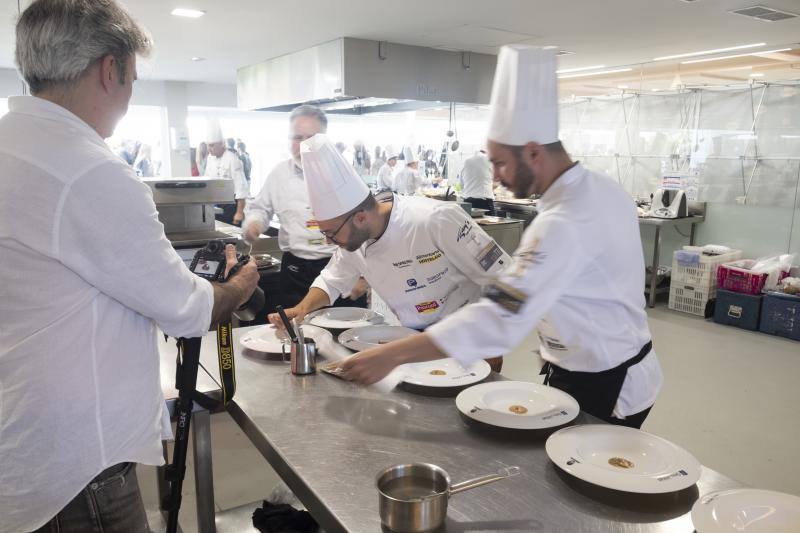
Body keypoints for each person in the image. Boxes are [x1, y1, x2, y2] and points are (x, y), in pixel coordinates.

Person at [0, 2, 260, 532]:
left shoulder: (12, 146)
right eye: (133, 77)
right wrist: (238, 286)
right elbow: (187, 311)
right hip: (78, 469)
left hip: (22, 441)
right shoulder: (90, 171)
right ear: (110, 69)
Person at [339, 46, 662, 430]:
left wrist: (392, 356)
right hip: (600, 364)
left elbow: (499, 316)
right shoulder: (601, 188)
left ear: (533, 152)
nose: (495, 178)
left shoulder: (563, 221)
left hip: (608, 383)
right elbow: (589, 290)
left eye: (500, 163)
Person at [268, 134, 511, 368]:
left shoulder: (436, 219)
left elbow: (504, 278)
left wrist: (491, 341)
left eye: (332, 233)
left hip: (468, 337)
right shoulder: (353, 240)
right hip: (412, 340)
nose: (330, 241)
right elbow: (332, 280)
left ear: (360, 217)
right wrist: (302, 309)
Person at [243, 105, 367, 309]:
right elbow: (260, 208)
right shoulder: (279, 174)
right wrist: (254, 223)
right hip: (295, 271)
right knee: (295, 333)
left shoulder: (344, 173)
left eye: (311, 137)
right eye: (297, 137)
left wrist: (363, 276)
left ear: (324, 139)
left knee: (344, 334)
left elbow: (365, 226)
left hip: (340, 267)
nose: (302, 144)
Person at [205, 120, 249, 225]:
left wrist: (239, 212)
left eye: (212, 145)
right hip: (215, 204)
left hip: (231, 205)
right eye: (208, 146)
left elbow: (241, 187)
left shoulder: (232, 159)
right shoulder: (210, 159)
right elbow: (207, 181)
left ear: (221, 144)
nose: (209, 149)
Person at [459, 149, 495, 214]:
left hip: (467, 202)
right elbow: (498, 178)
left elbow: (461, 184)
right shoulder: (489, 159)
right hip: (483, 203)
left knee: (469, 223)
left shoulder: (467, 161)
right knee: (487, 223)